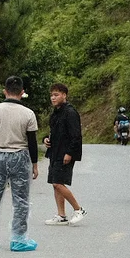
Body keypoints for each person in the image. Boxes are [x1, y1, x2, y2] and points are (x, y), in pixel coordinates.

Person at [0, 76, 39, 252]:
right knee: (21, 199)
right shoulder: (28, 114)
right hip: (20, 157)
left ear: (5, 91)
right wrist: (34, 164)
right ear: (22, 92)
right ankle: (18, 239)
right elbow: (32, 142)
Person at [44, 83, 86, 226]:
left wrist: (69, 153)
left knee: (58, 183)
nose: (53, 98)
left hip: (65, 153)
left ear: (64, 95)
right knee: (55, 184)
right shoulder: (55, 113)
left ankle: (78, 209)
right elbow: (52, 132)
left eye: (56, 95)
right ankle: (61, 215)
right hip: (55, 152)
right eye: (52, 95)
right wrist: (46, 139)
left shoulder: (70, 112)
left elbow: (76, 136)